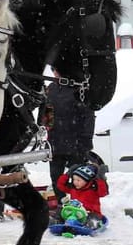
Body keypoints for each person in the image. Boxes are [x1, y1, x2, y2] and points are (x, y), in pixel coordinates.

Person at [42, 70, 96, 202]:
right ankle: (63, 204)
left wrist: (86, 140)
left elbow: (88, 116)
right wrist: (45, 131)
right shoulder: (51, 88)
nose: (56, 73)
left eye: (58, 70)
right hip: (55, 143)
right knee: (56, 177)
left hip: (76, 143)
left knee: (78, 177)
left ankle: (81, 204)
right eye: (54, 70)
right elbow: (47, 113)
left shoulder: (79, 87)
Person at [54, 164, 109, 228]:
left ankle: (92, 224)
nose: (75, 182)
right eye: (74, 179)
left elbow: (103, 193)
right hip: (74, 212)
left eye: (78, 180)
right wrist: (67, 174)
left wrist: (101, 179)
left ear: (87, 180)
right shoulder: (73, 188)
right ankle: (56, 221)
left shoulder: (93, 189)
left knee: (91, 219)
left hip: (90, 213)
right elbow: (60, 185)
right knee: (60, 210)